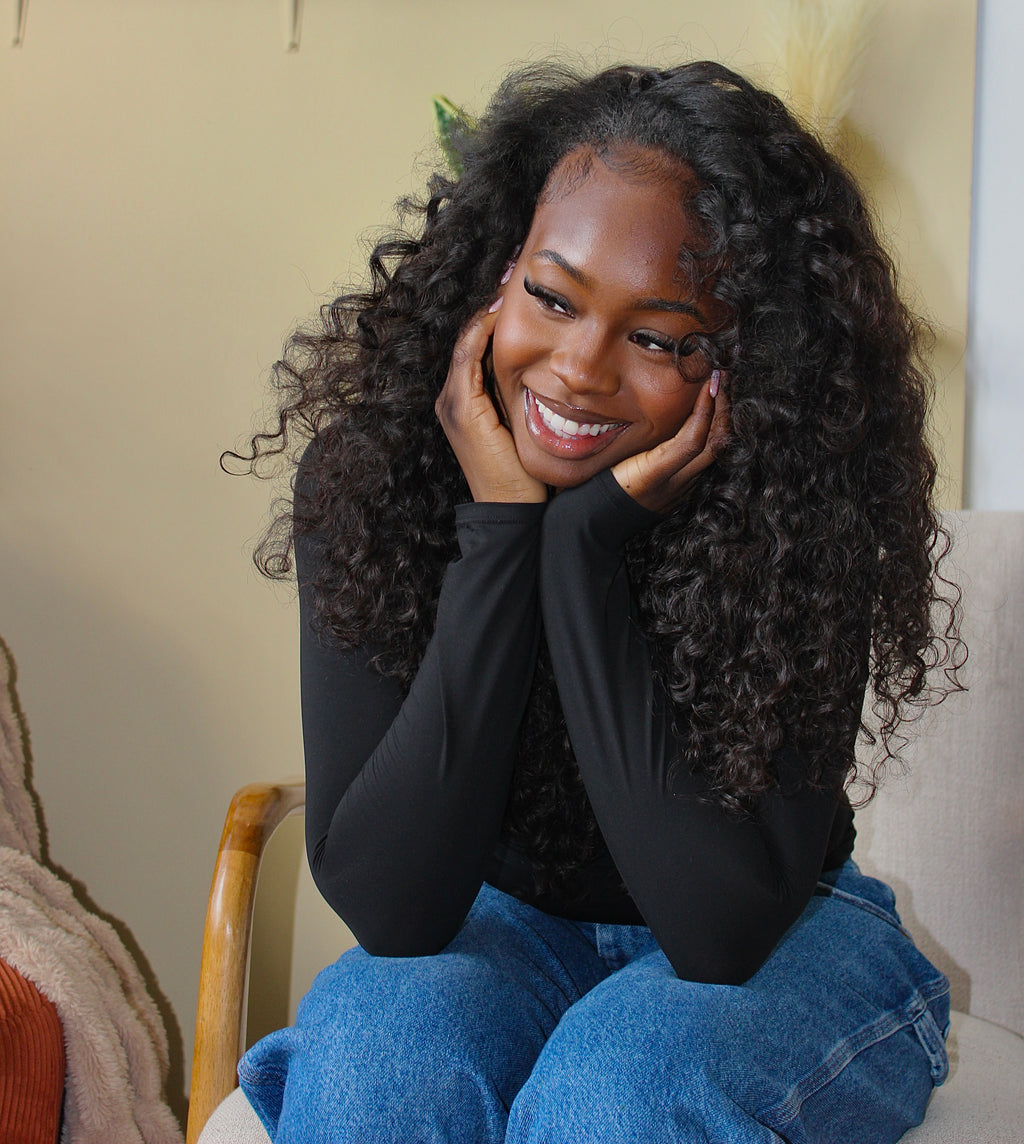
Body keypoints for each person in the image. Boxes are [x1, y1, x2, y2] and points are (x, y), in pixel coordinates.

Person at [234, 61, 963, 1143]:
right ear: (494, 275)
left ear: (743, 358)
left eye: (660, 336)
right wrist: (500, 534)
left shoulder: (800, 503)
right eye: (553, 296)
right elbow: (394, 911)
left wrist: (577, 560)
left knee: (616, 1097)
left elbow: (721, 936)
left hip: (782, 936)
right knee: (373, 1072)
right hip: (499, 929)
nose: (578, 367)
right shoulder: (376, 476)